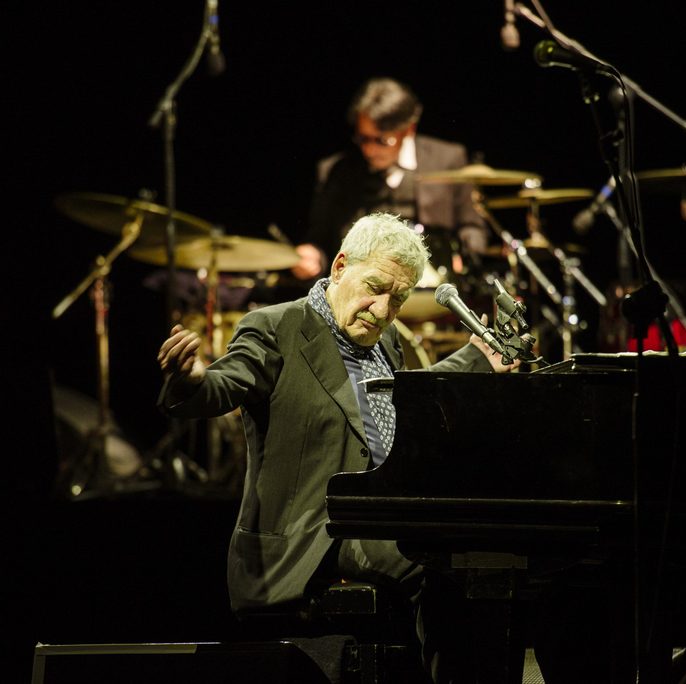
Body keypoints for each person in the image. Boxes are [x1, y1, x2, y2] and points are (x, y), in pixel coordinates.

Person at [157, 212, 513, 682]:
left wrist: (474, 359)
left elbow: (405, 401)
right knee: (439, 560)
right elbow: (224, 384)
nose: (382, 310)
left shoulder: (385, 340)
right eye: (375, 288)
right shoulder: (277, 327)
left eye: (398, 298)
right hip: (314, 535)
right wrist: (192, 380)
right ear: (341, 266)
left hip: (379, 520)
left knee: (492, 557)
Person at [292, 77, 489, 288]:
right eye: (363, 138)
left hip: (434, 290)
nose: (370, 150)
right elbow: (319, 241)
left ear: (409, 129)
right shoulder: (337, 172)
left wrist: (464, 258)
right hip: (361, 289)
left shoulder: (447, 159)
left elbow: (473, 227)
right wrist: (311, 257)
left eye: (382, 140)